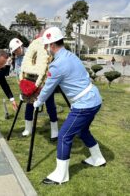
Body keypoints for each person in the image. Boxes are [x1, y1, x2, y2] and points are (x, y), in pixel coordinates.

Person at [33, 27, 106, 185]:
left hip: (84, 104)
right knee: (82, 130)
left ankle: (61, 175)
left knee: (64, 135)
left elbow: (47, 89)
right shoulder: (71, 55)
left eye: (46, 45)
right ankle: (98, 158)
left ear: (52, 45)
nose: (46, 49)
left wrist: (37, 102)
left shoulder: (57, 64)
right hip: (95, 99)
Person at [9, 38, 58, 141]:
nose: (15, 53)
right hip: (28, 85)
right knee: (29, 106)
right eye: (14, 52)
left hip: (43, 83)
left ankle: (55, 131)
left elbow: (44, 66)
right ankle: (28, 129)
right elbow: (19, 73)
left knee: (50, 105)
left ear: (21, 46)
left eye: (16, 50)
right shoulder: (17, 59)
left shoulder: (36, 51)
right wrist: (22, 88)